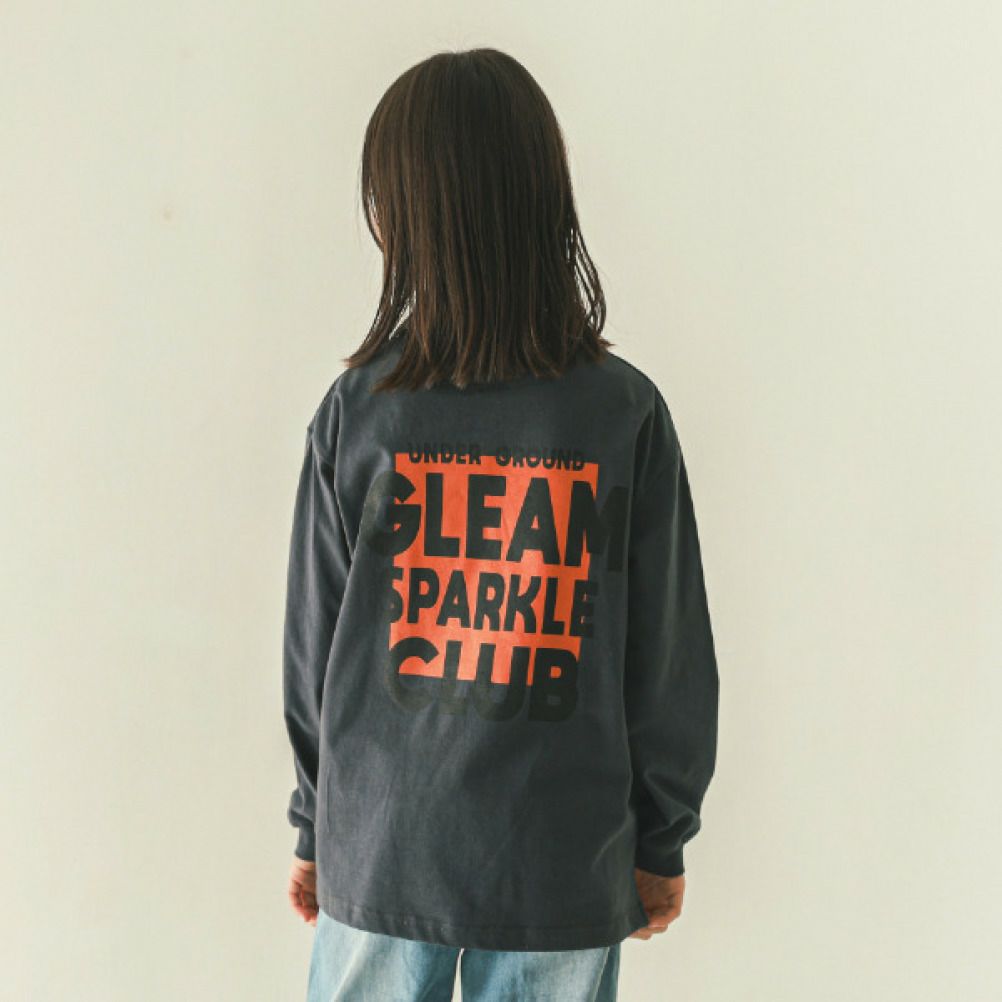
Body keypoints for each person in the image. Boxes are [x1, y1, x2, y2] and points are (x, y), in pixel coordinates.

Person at [281, 47, 719, 1002]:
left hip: (383, 850)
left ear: (405, 215)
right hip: (561, 858)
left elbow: (315, 649)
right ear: (543, 197)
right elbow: (668, 659)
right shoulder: (620, 413)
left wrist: (317, 827)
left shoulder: (359, 414)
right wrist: (662, 836)